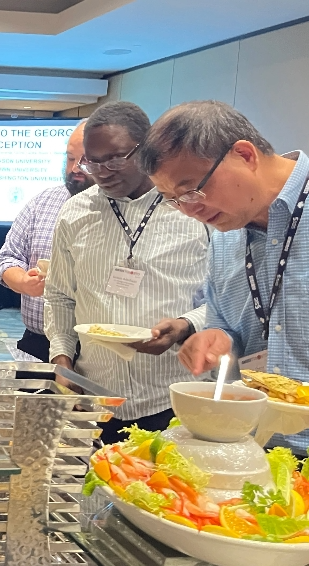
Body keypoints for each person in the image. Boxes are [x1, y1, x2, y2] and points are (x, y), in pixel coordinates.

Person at [140, 101, 309, 452]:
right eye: (173, 200)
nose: (189, 211)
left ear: (245, 155)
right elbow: (229, 326)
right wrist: (218, 338)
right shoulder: (225, 236)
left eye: (192, 190)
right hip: (256, 447)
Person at [43, 101, 209, 444]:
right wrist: (61, 358)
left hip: (173, 398)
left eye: (116, 158)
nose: (102, 172)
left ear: (147, 148)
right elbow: (59, 295)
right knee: (93, 492)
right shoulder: (76, 212)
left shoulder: (193, 210)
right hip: (96, 398)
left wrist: (184, 326)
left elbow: (223, 301)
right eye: (92, 161)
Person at [0, 120, 90, 362]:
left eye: (85, 159)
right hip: (36, 344)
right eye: (70, 158)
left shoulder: (113, 212)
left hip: (93, 354)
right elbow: (7, 257)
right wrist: (24, 282)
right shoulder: (43, 202)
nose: (76, 168)